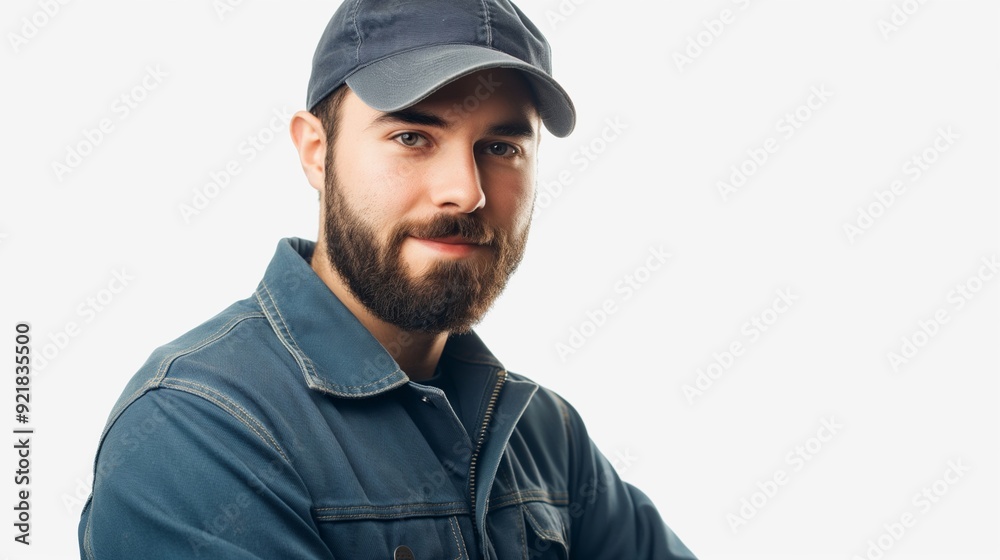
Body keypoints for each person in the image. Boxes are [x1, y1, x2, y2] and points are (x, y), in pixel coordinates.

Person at [77, 0, 697, 558]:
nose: (465, 192)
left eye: (501, 147)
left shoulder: (546, 437)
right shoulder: (197, 430)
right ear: (316, 151)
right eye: (412, 136)